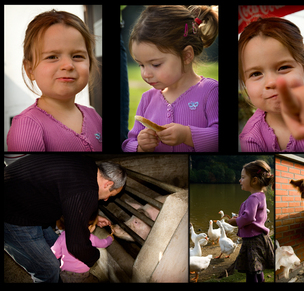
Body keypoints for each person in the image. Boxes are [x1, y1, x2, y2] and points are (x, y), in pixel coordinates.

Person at [4, 154, 126, 283]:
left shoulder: (87, 164)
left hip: (25, 203)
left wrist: (88, 217)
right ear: (108, 184)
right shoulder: (85, 191)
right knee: (48, 269)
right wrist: (95, 255)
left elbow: (67, 196)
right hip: (12, 215)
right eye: (110, 195)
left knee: (56, 247)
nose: (106, 200)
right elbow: (77, 246)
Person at [122, 5, 219, 152]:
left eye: (155, 64)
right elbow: (128, 143)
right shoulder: (147, 99)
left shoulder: (210, 91)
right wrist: (140, 147)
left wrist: (187, 135)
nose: (145, 74)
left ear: (186, 56)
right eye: (141, 65)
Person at [7, 10, 102, 152]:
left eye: (77, 56)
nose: (68, 65)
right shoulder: (26, 126)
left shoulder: (94, 115)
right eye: (52, 57)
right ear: (30, 69)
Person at [238, 17, 304, 152]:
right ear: (245, 84)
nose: (271, 82)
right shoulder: (251, 139)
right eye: (255, 74)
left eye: (283, 68)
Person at [227, 160, 275, 283]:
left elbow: (249, 218)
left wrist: (235, 221)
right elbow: (255, 216)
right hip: (259, 238)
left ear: (254, 180)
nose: (240, 180)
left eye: (243, 177)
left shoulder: (253, 198)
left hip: (252, 240)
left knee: (251, 270)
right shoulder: (261, 195)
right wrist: (241, 216)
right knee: (257, 268)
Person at [51, 213, 114, 283]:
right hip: (82, 276)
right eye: (95, 225)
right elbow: (103, 244)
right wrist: (110, 238)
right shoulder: (90, 238)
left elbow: (54, 253)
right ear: (90, 227)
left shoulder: (63, 236)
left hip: (65, 274)